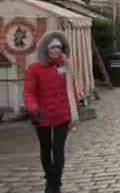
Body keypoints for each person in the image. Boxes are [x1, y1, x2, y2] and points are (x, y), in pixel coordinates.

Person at [24, 30, 80, 193]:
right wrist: (33, 109)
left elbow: (72, 87)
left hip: (62, 114)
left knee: (58, 149)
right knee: (45, 148)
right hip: (42, 115)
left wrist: (75, 107)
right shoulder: (34, 68)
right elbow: (29, 92)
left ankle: (55, 183)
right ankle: (49, 176)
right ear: (45, 49)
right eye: (53, 47)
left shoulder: (65, 66)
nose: (56, 50)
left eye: (59, 47)